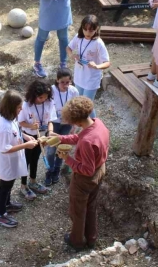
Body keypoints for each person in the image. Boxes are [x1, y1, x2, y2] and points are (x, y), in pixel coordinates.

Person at [52, 96, 109, 250]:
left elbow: (86, 169)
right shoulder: (98, 123)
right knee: (91, 206)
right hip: (100, 170)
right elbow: (79, 137)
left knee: (77, 211)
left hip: (85, 179)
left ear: (77, 122)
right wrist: (61, 138)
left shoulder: (86, 142)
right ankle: (91, 238)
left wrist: (67, 158)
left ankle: (76, 241)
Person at [0, 90, 39, 228]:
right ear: (11, 107)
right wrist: (26, 145)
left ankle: (7, 204)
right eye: (19, 107)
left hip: (13, 161)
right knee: (4, 187)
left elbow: (17, 129)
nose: (21, 110)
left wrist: (25, 136)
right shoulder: (4, 128)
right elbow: (4, 149)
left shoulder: (11, 118)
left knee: (10, 184)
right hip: (7, 163)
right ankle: (0, 214)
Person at [17, 80, 56, 199]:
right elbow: (20, 122)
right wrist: (31, 126)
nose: (43, 99)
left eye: (45, 97)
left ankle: (33, 182)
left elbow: (50, 120)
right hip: (29, 137)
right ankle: (23, 186)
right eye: (40, 97)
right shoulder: (26, 105)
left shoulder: (49, 102)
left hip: (42, 136)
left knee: (35, 159)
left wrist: (49, 132)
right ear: (34, 95)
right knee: (26, 161)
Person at [66, 15, 111, 118]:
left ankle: (96, 126)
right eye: (85, 29)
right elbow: (68, 48)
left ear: (96, 29)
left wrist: (97, 66)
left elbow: (107, 62)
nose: (87, 32)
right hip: (79, 76)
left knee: (87, 106)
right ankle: (86, 126)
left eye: (91, 30)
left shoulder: (98, 43)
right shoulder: (78, 37)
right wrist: (71, 55)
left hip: (91, 78)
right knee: (80, 103)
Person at [45, 68, 79, 186]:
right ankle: (49, 170)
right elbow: (47, 106)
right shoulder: (51, 90)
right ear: (57, 80)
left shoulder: (73, 91)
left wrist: (74, 125)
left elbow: (76, 108)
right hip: (54, 123)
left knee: (62, 148)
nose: (65, 85)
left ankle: (57, 170)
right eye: (62, 82)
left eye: (67, 82)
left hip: (67, 124)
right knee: (50, 150)